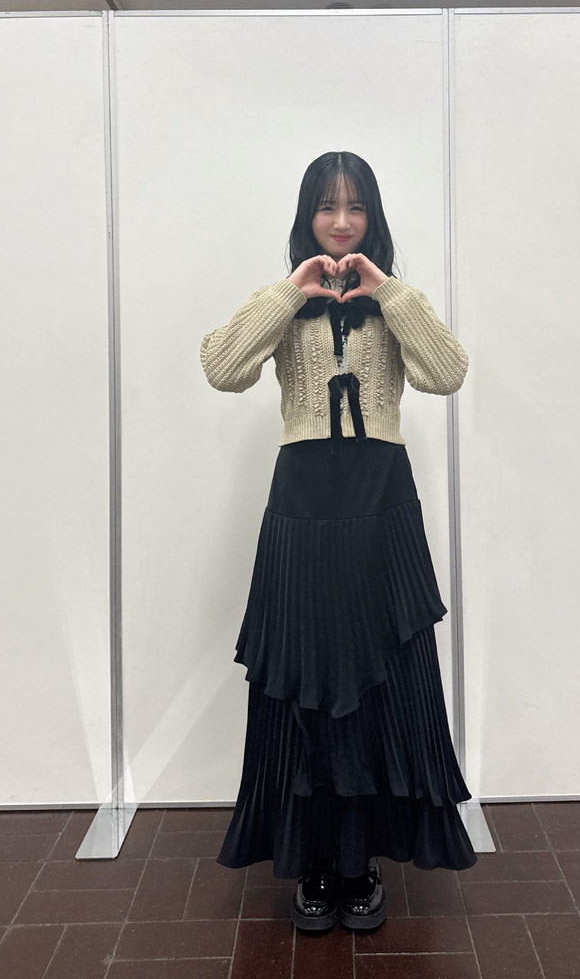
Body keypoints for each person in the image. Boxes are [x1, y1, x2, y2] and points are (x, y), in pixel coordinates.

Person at [199, 150, 476, 934]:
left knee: (378, 676)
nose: (343, 221)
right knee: (304, 678)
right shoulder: (284, 303)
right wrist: (291, 291)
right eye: (328, 206)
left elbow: (448, 373)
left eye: (356, 207)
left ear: (373, 217)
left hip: (380, 503)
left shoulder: (397, 304)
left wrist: (390, 292)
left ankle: (362, 862)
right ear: (307, 216)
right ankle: (314, 860)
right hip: (303, 506)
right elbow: (221, 367)